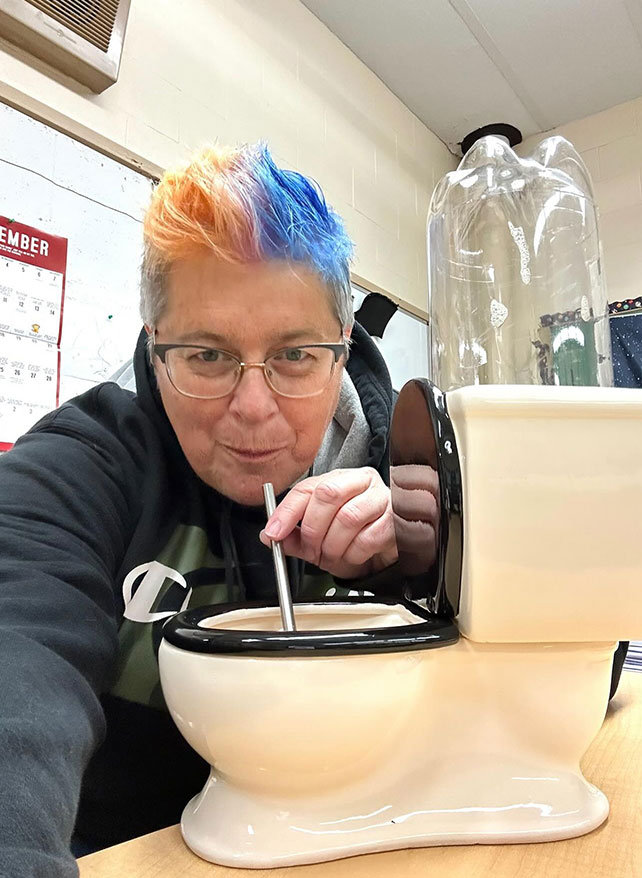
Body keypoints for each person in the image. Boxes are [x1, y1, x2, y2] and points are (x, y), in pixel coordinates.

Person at [0, 143, 398, 876]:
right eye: (207, 356)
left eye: (296, 356)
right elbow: (18, 651)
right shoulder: (81, 466)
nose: (252, 409)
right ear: (157, 352)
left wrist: (434, 561)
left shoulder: (408, 465)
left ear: (342, 352)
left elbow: (578, 662)